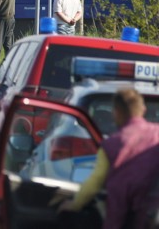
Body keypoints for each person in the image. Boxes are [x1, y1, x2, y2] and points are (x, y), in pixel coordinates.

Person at [58, 88, 159, 228]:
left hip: (123, 219)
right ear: (143, 109)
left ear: (116, 113)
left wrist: (75, 204)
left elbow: (95, 182)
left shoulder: (111, 145)